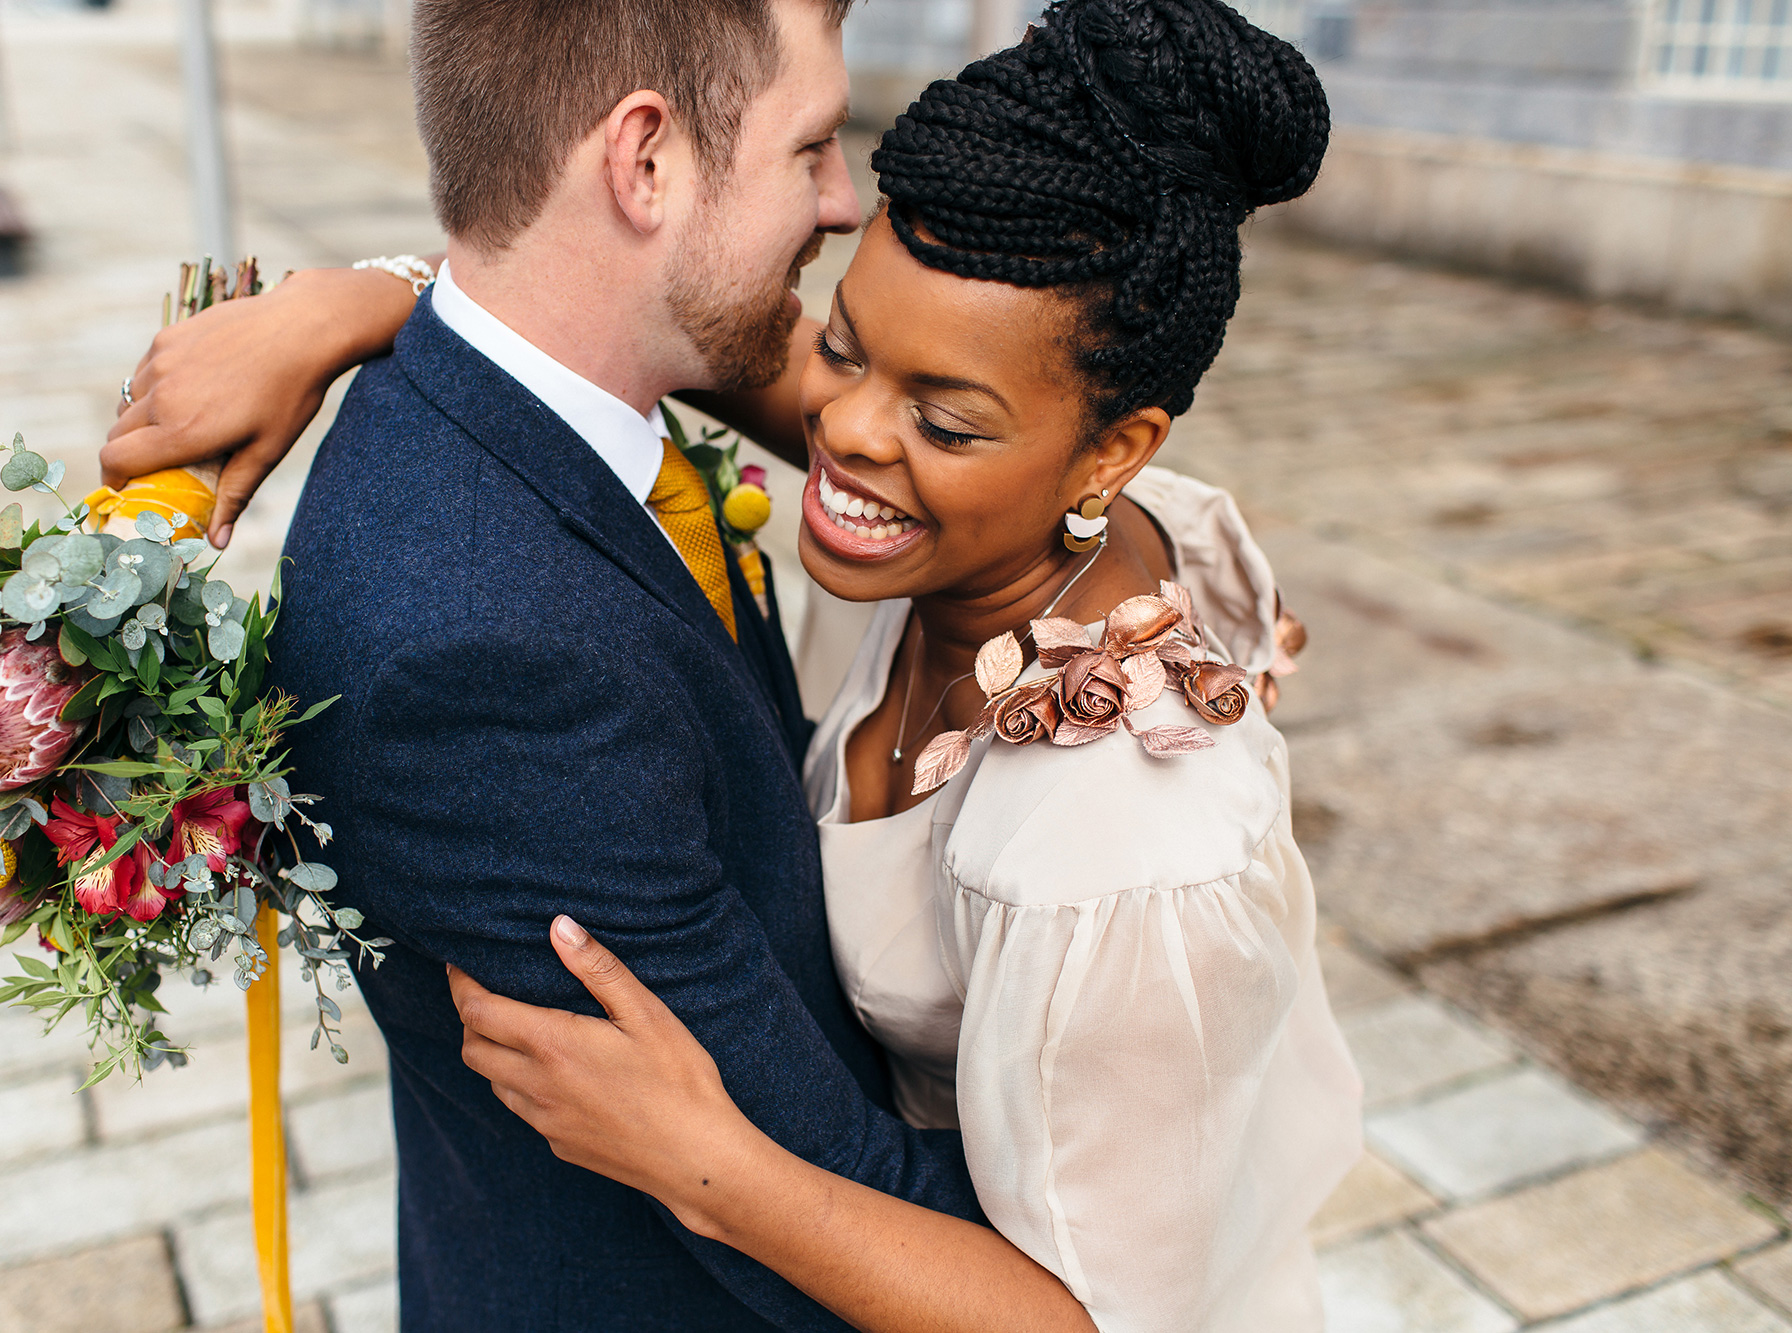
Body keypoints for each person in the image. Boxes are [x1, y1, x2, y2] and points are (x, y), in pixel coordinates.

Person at [105, 1, 1363, 1328]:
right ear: (644, 161)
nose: (842, 424)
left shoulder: (1123, 842)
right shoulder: (929, 512)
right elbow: (598, 322)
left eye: (938, 415)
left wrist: (722, 1171)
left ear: (1107, 457)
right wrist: (366, 298)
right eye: (842, 342)